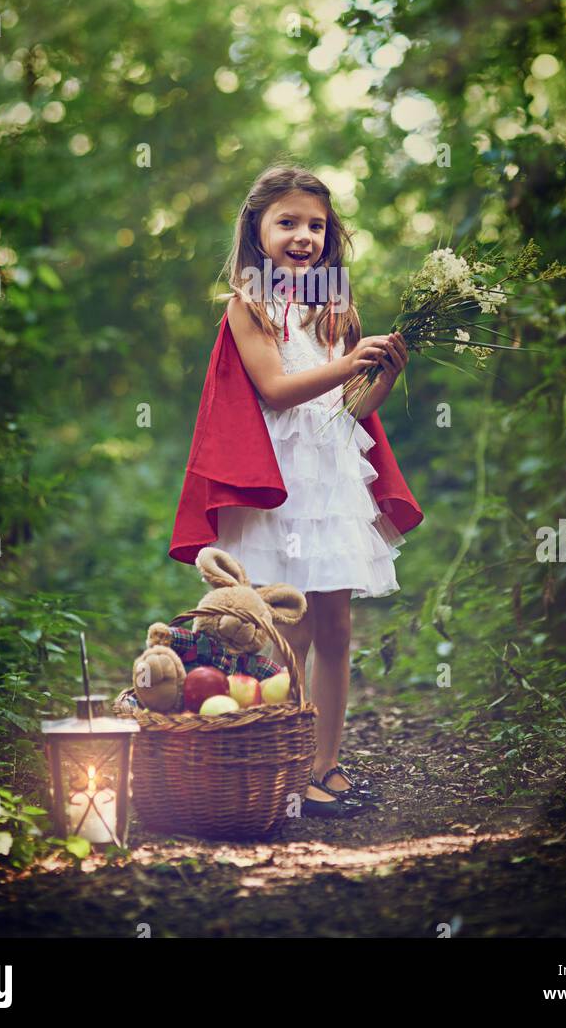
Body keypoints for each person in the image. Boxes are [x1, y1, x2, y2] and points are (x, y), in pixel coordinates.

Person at [169, 163, 423, 816]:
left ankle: (324, 766)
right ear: (256, 229)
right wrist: (350, 360)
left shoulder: (335, 308)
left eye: (315, 224)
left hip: (330, 480)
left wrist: (382, 373)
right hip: (275, 485)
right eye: (287, 221)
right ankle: (278, 762)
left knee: (335, 625)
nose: (303, 235)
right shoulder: (246, 306)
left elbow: (354, 406)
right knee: (284, 628)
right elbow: (276, 391)